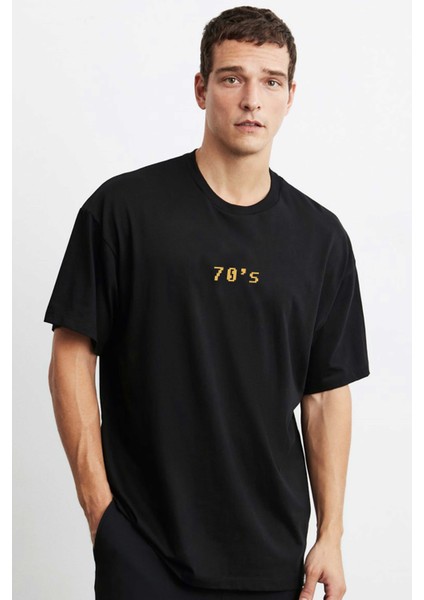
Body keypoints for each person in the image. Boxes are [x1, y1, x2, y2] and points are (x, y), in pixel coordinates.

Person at [43, 6, 370, 600]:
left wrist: (331, 535)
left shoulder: (321, 239)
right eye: (232, 78)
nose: (252, 100)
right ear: (201, 89)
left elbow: (325, 395)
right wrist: (100, 513)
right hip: (143, 550)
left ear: (291, 97)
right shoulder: (123, 211)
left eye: (271, 81)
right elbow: (71, 351)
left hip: (273, 557)